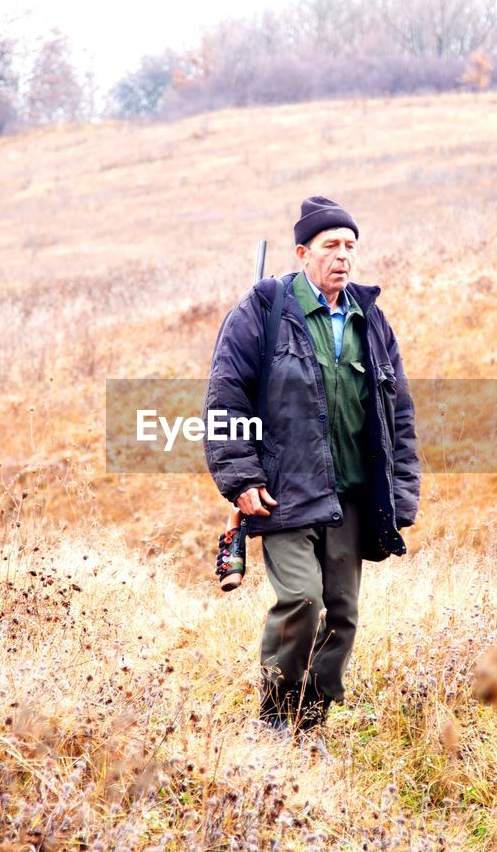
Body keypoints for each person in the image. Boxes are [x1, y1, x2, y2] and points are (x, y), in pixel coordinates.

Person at [202, 196, 420, 746]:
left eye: (350, 247)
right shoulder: (263, 310)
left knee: (341, 616)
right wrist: (241, 478)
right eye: (330, 247)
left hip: (351, 495)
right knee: (302, 600)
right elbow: (226, 400)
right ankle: (276, 719)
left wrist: (401, 492)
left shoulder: (369, 319)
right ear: (303, 253)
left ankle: (310, 722)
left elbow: (398, 412)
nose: (342, 257)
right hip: (283, 492)